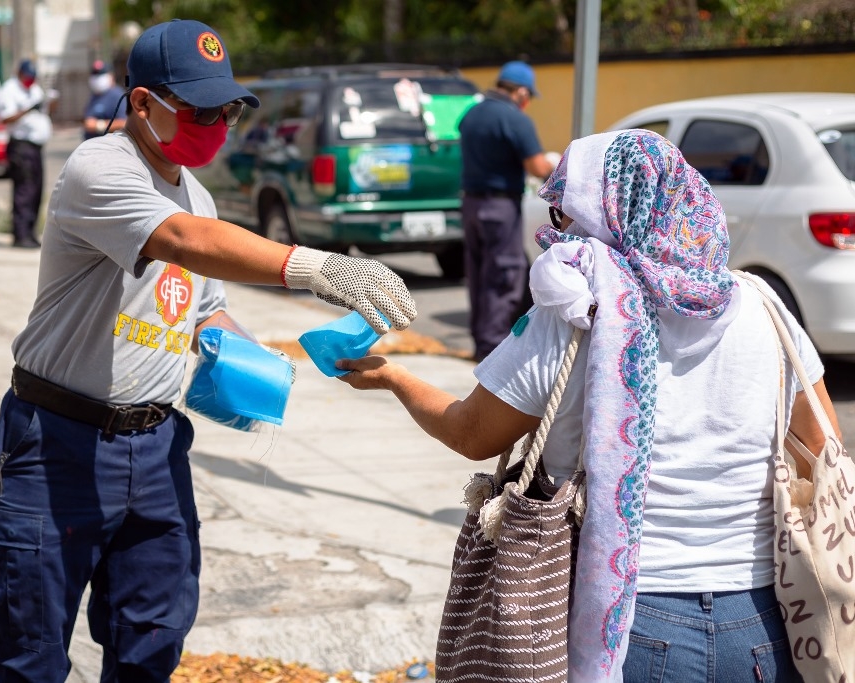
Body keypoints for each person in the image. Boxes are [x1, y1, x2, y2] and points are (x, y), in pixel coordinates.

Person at [0, 19, 417, 683]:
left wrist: (257, 361)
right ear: (143, 103)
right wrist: (316, 267)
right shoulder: (100, 168)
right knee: (28, 656)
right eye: (200, 109)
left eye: (226, 111)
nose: (215, 123)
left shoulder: (197, 193)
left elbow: (202, 305)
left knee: (151, 642)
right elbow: (184, 241)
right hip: (55, 444)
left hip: (153, 452)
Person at [338, 130, 842, 682]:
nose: (558, 230)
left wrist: (395, 378)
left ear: (603, 215)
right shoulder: (763, 308)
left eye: (563, 213)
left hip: (630, 626)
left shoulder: (574, 314)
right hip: (768, 621)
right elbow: (819, 449)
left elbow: (471, 434)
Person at [458, 60, 555, 361]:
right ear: (522, 93)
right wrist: (554, 163)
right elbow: (537, 167)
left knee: (479, 274)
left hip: (471, 204)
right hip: (500, 206)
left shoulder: (471, 115)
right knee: (504, 275)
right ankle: (492, 349)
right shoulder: (515, 119)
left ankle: (480, 341)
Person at [0, 58, 52, 249]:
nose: (30, 81)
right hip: (21, 147)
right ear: (20, 74)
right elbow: (5, 118)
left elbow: (43, 112)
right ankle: (20, 235)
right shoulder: (9, 90)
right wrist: (27, 110)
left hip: (36, 147)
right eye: (28, 77)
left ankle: (30, 232)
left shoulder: (34, 89)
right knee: (24, 191)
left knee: (36, 191)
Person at [83, 59, 126, 140]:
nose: (96, 79)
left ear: (111, 76)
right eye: (94, 75)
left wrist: (98, 125)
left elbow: (124, 123)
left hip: (109, 146)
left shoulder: (118, 95)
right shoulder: (94, 96)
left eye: (100, 75)